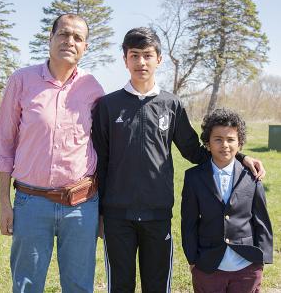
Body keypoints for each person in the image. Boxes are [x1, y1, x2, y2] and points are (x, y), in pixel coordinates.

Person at [92, 27, 265, 293]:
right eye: (134, 55)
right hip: (117, 217)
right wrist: (101, 212)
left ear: (159, 59)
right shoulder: (108, 105)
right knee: (120, 286)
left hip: (158, 215)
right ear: (125, 59)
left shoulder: (171, 105)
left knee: (158, 286)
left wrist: (240, 157)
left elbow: (195, 151)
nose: (141, 62)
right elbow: (99, 161)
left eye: (148, 55)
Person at [0, 14, 104, 293]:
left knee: (79, 286)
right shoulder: (21, 81)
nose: (70, 41)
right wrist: (5, 203)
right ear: (50, 39)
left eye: (78, 37)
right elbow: (3, 144)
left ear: (85, 47)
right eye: (63, 34)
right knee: (26, 285)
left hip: (81, 205)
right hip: (31, 202)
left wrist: (101, 212)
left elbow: (104, 150)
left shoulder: (93, 89)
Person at [181, 108, 273, 293]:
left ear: (240, 143)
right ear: (207, 143)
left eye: (231, 140)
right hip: (208, 266)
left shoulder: (252, 176)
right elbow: (189, 223)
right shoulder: (193, 178)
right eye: (218, 139)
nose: (225, 145)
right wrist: (193, 261)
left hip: (247, 268)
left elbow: (261, 220)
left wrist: (260, 262)